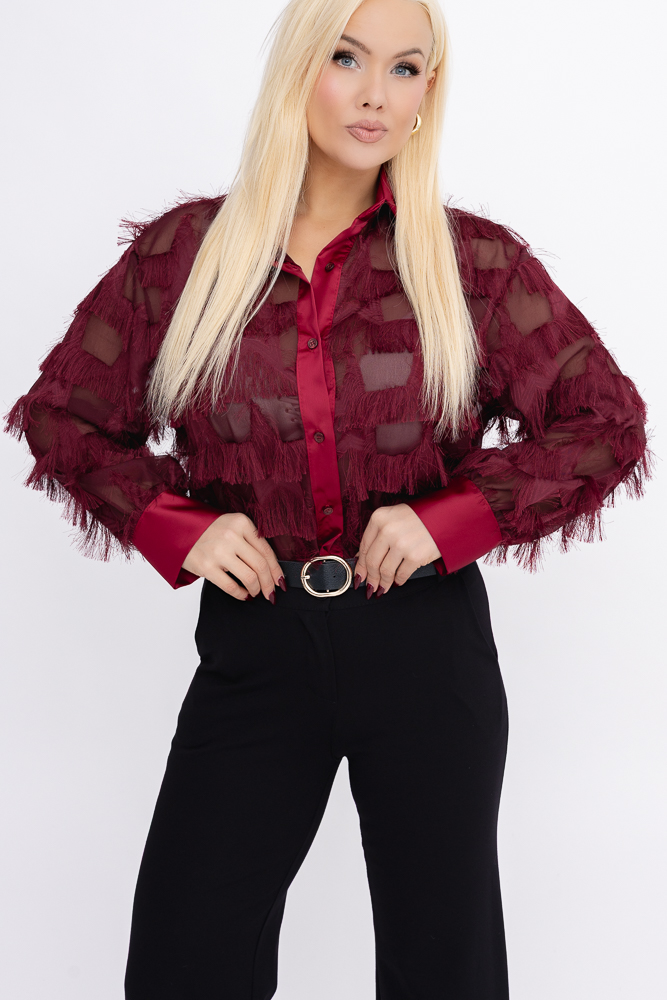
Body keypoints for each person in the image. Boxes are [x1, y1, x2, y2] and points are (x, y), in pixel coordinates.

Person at [6, 0, 649, 997]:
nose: (374, 93)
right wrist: (180, 525)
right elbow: (62, 416)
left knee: (444, 969)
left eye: (405, 68)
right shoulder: (183, 257)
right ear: (299, 67)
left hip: (426, 650)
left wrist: (445, 521)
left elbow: (605, 422)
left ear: (427, 94)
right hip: (257, 647)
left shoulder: (473, 265)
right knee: (185, 960)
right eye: (347, 58)